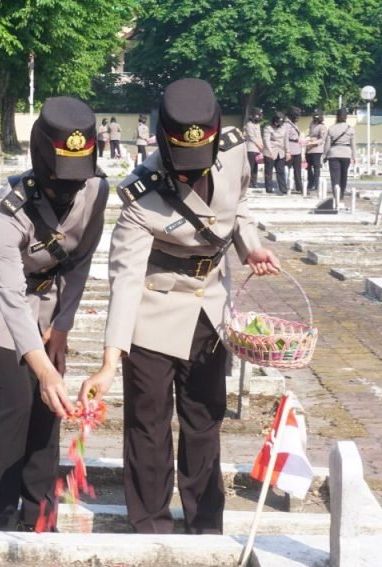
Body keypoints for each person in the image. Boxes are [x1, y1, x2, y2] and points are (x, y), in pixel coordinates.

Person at [79, 78, 280, 535]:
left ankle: (205, 522)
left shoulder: (232, 151)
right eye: (181, 167)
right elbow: (126, 279)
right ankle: (149, 522)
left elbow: (239, 205)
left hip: (210, 309)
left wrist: (250, 246)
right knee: (148, 427)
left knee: (204, 420)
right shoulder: (139, 193)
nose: (190, 174)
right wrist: (111, 360)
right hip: (153, 314)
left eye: (198, 164)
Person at [0, 96, 109, 531]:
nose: (70, 190)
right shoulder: (4, 209)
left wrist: (60, 329)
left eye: (77, 180)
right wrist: (43, 369)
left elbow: (79, 262)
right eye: (61, 181)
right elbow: (8, 293)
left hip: (45, 302)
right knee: (15, 401)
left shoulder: (96, 189)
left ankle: (40, 513)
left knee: (48, 408)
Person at [324, 108, 356, 197]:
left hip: (333, 154)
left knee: (335, 176)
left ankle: (336, 194)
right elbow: (353, 145)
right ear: (346, 117)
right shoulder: (350, 129)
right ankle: (341, 193)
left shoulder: (331, 129)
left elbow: (327, 144)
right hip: (346, 154)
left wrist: (324, 156)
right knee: (344, 175)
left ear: (337, 116)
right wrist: (354, 157)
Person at [262, 111, 289, 194]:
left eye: (280, 122)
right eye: (277, 122)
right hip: (270, 151)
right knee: (268, 171)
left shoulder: (284, 128)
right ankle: (269, 188)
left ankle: (283, 189)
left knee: (281, 171)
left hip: (281, 152)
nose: (278, 124)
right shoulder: (268, 128)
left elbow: (286, 140)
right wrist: (270, 151)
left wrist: (288, 151)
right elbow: (266, 140)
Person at [305, 111, 327, 192]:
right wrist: (306, 139)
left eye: (317, 117)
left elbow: (322, 139)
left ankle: (315, 183)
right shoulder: (312, 124)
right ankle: (310, 183)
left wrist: (313, 142)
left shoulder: (322, 127)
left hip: (317, 149)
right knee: (309, 167)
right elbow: (309, 134)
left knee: (316, 167)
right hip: (309, 148)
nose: (315, 119)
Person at [285, 106, 304, 193]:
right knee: (287, 169)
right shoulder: (287, 124)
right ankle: (285, 186)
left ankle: (299, 187)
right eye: (296, 116)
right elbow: (285, 138)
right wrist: (287, 151)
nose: (297, 118)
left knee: (298, 170)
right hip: (290, 149)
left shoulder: (294, 124)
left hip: (297, 149)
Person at [244, 107, 263, 188]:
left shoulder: (257, 125)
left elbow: (259, 137)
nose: (258, 117)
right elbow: (252, 137)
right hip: (251, 148)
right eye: (257, 115)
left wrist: (262, 146)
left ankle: (254, 182)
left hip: (258, 149)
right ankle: (246, 183)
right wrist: (259, 145)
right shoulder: (249, 124)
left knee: (255, 167)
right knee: (250, 167)